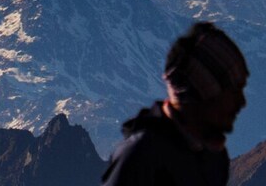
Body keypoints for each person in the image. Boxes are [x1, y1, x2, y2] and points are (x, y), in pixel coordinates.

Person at [101, 22, 250, 186]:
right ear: (204, 93)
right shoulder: (141, 156)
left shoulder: (214, 157)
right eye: (232, 92)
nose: (241, 102)